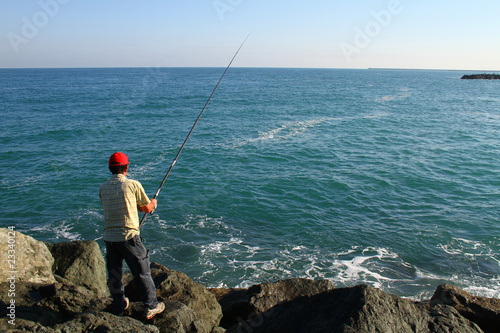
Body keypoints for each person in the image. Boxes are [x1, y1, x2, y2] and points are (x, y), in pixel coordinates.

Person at [99, 152, 165, 319]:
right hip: (129, 237)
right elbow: (147, 208)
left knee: (114, 274)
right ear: (126, 168)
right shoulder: (133, 185)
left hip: (110, 238)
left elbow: (123, 205)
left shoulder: (103, 187)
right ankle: (151, 306)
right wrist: (154, 203)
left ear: (110, 169)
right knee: (142, 272)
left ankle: (118, 304)